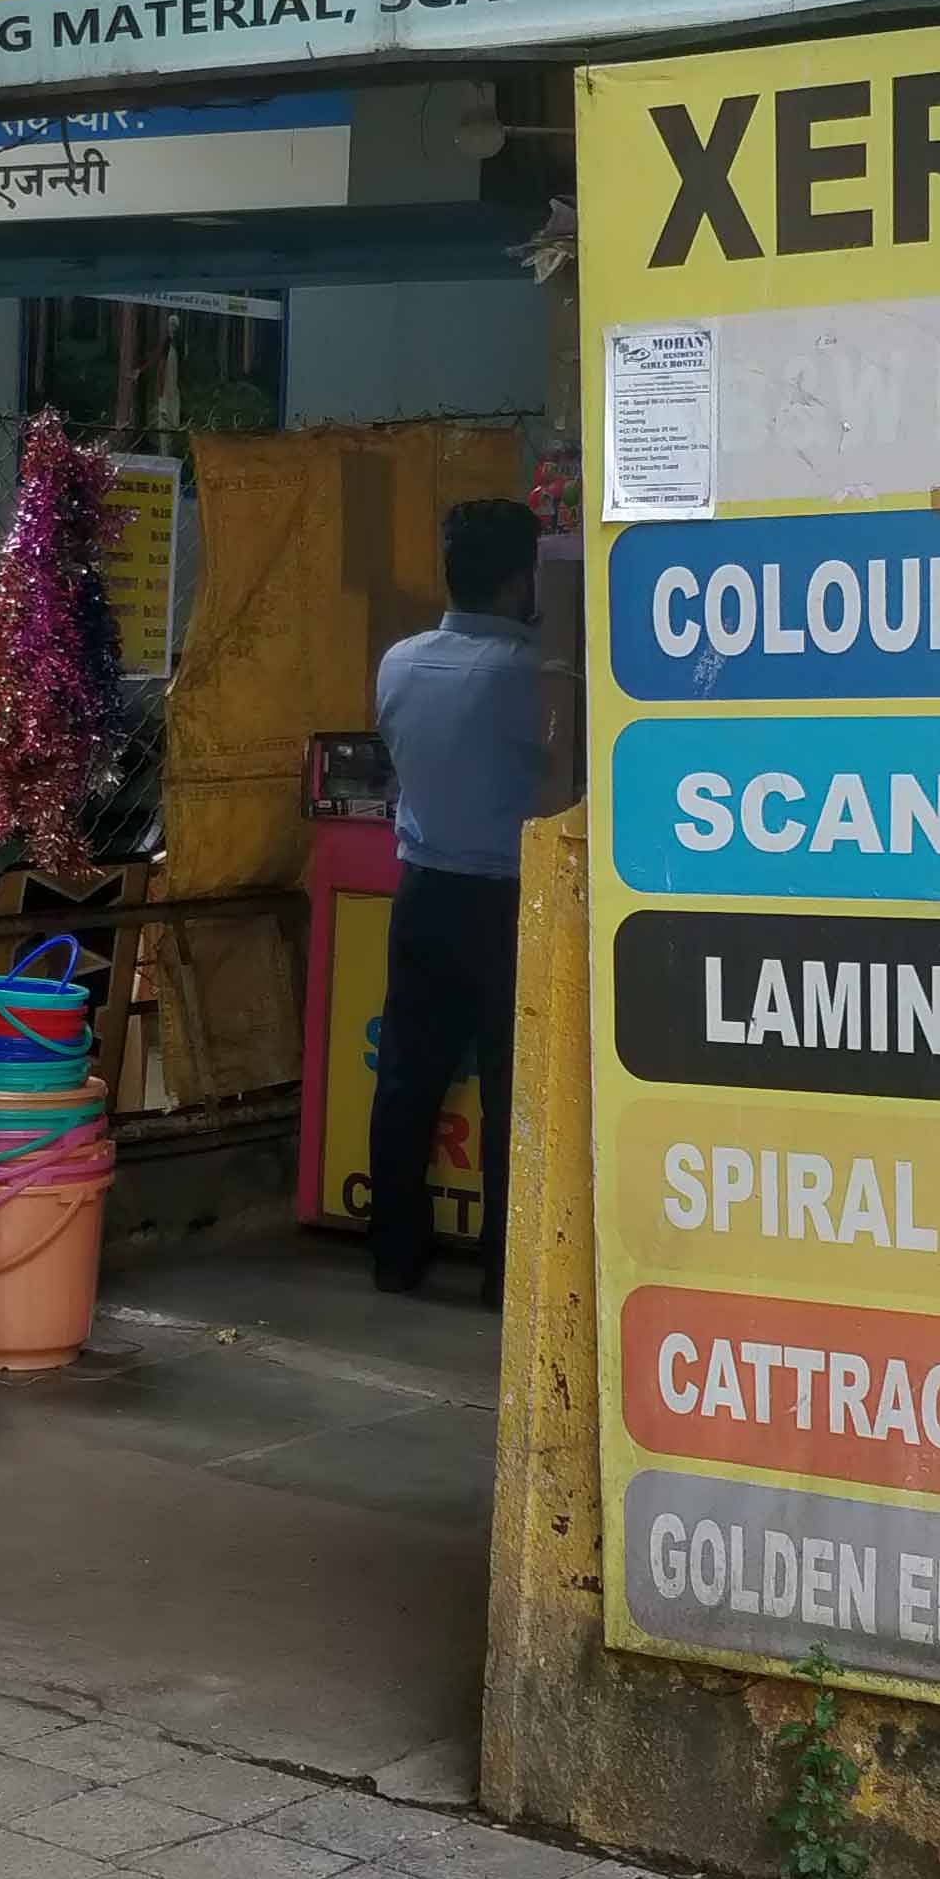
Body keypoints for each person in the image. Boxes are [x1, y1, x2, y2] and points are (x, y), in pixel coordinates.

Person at [368, 496, 550, 1304]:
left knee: (408, 1078)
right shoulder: (527, 676)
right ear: (521, 580)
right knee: (514, 1086)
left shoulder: (399, 662)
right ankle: (501, 1273)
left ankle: (394, 1258)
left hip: (422, 893)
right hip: (507, 904)